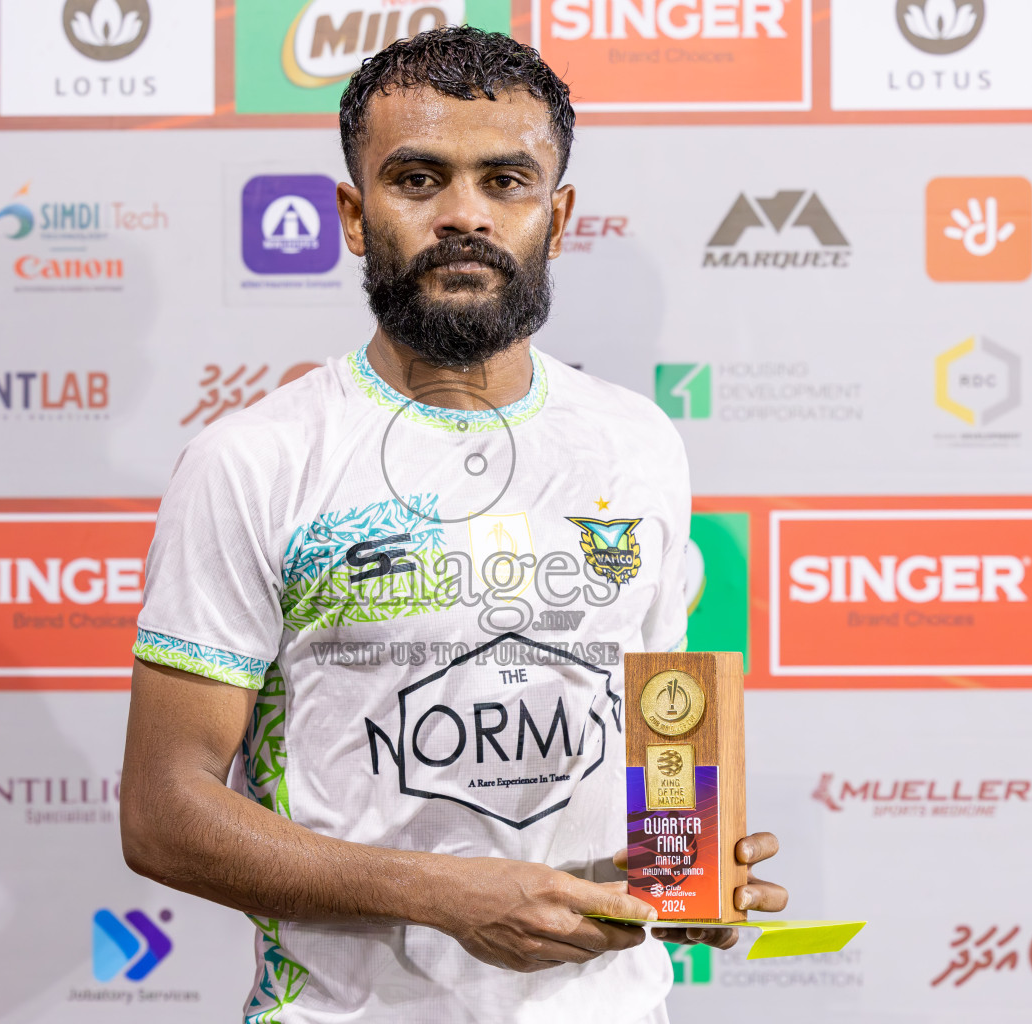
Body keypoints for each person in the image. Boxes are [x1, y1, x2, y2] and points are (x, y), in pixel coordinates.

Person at [120, 27, 786, 1024]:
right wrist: (447, 897)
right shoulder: (254, 460)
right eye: (419, 179)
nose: (463, 215)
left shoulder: (639, 441)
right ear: (354, 213)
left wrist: (691, 878)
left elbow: (664, 735)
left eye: (506, 181)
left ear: (556, 216)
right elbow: (163, 814)